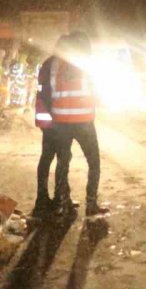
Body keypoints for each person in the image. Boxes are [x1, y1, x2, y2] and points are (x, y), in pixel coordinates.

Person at [36, 31, 109, 217]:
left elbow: (45, 93)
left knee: (62, 162)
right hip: (83, 121)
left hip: (59, 121)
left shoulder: (52, 65)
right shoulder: (87, 63)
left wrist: (50, 117)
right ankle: (91, 204)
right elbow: (98, 91)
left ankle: (60, 202)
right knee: (93, 162)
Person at [33, 35, 75, 216]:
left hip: (46, 117)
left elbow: (43, 91)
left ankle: (42, 198)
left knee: (47, 157)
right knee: (63, 157)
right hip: (57, 119)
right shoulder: (63, 66)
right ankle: (61, 197)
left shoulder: (47, 63)